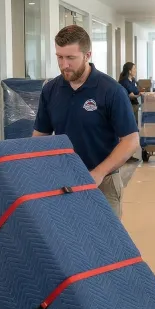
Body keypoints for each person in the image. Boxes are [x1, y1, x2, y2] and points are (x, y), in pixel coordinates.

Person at [33, 25, 139, 218]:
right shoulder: (51, 90)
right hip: (63, 182)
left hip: (103, 182)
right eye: (59, 57)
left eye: (70, 58)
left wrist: (98, 173)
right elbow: (40, 136)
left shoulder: (111, 91)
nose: (64, 64)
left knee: (106, 244)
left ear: (87, 55)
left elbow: (130, 141)